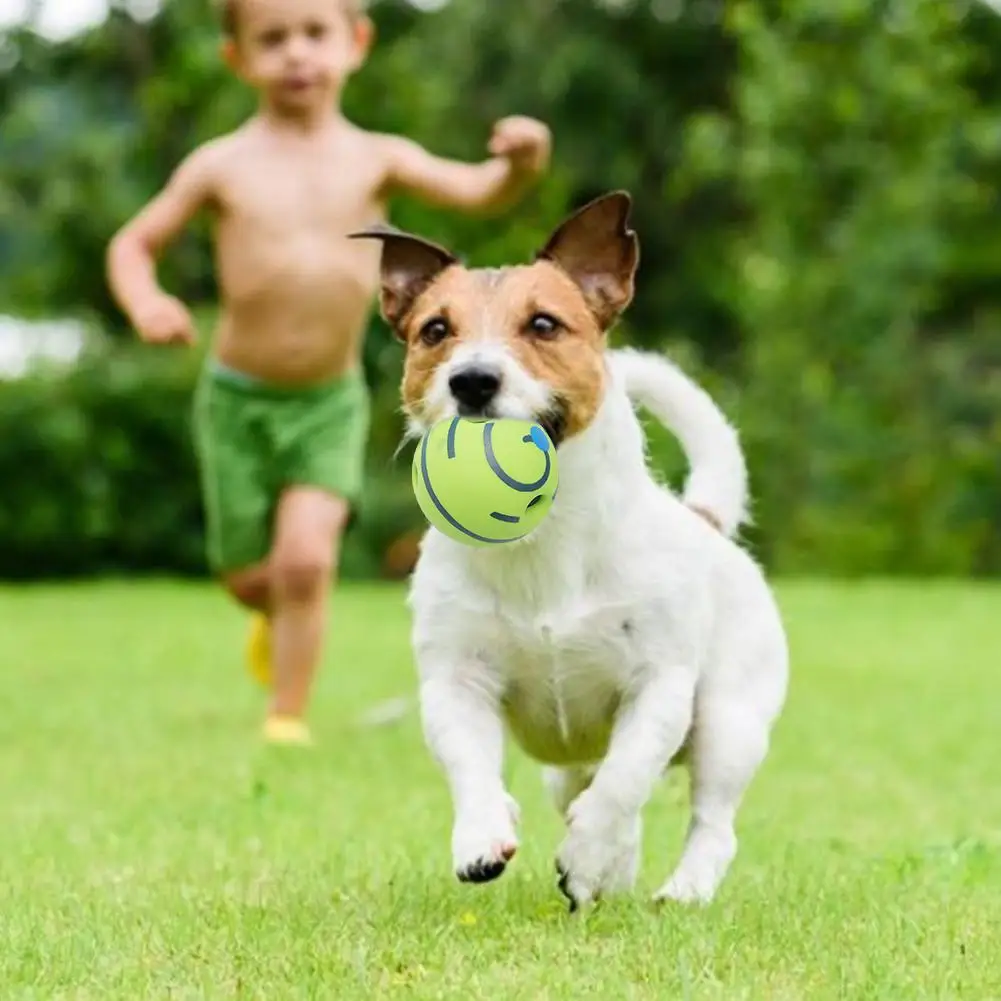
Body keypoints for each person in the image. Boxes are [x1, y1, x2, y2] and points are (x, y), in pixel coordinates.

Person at [106, 0, 552, 747]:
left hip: (328, 400)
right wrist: (148, 302)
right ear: (237, 59)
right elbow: (132, 244)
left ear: (356, 44)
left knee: (307, 561)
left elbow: (479, 192)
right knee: (249, 574)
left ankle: (286, 714)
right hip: (235, 399)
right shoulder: (220, 164)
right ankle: (267, 608)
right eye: (272, 39)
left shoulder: (376, 156)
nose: (296, 54)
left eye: (314, 34)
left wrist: (523, 161)